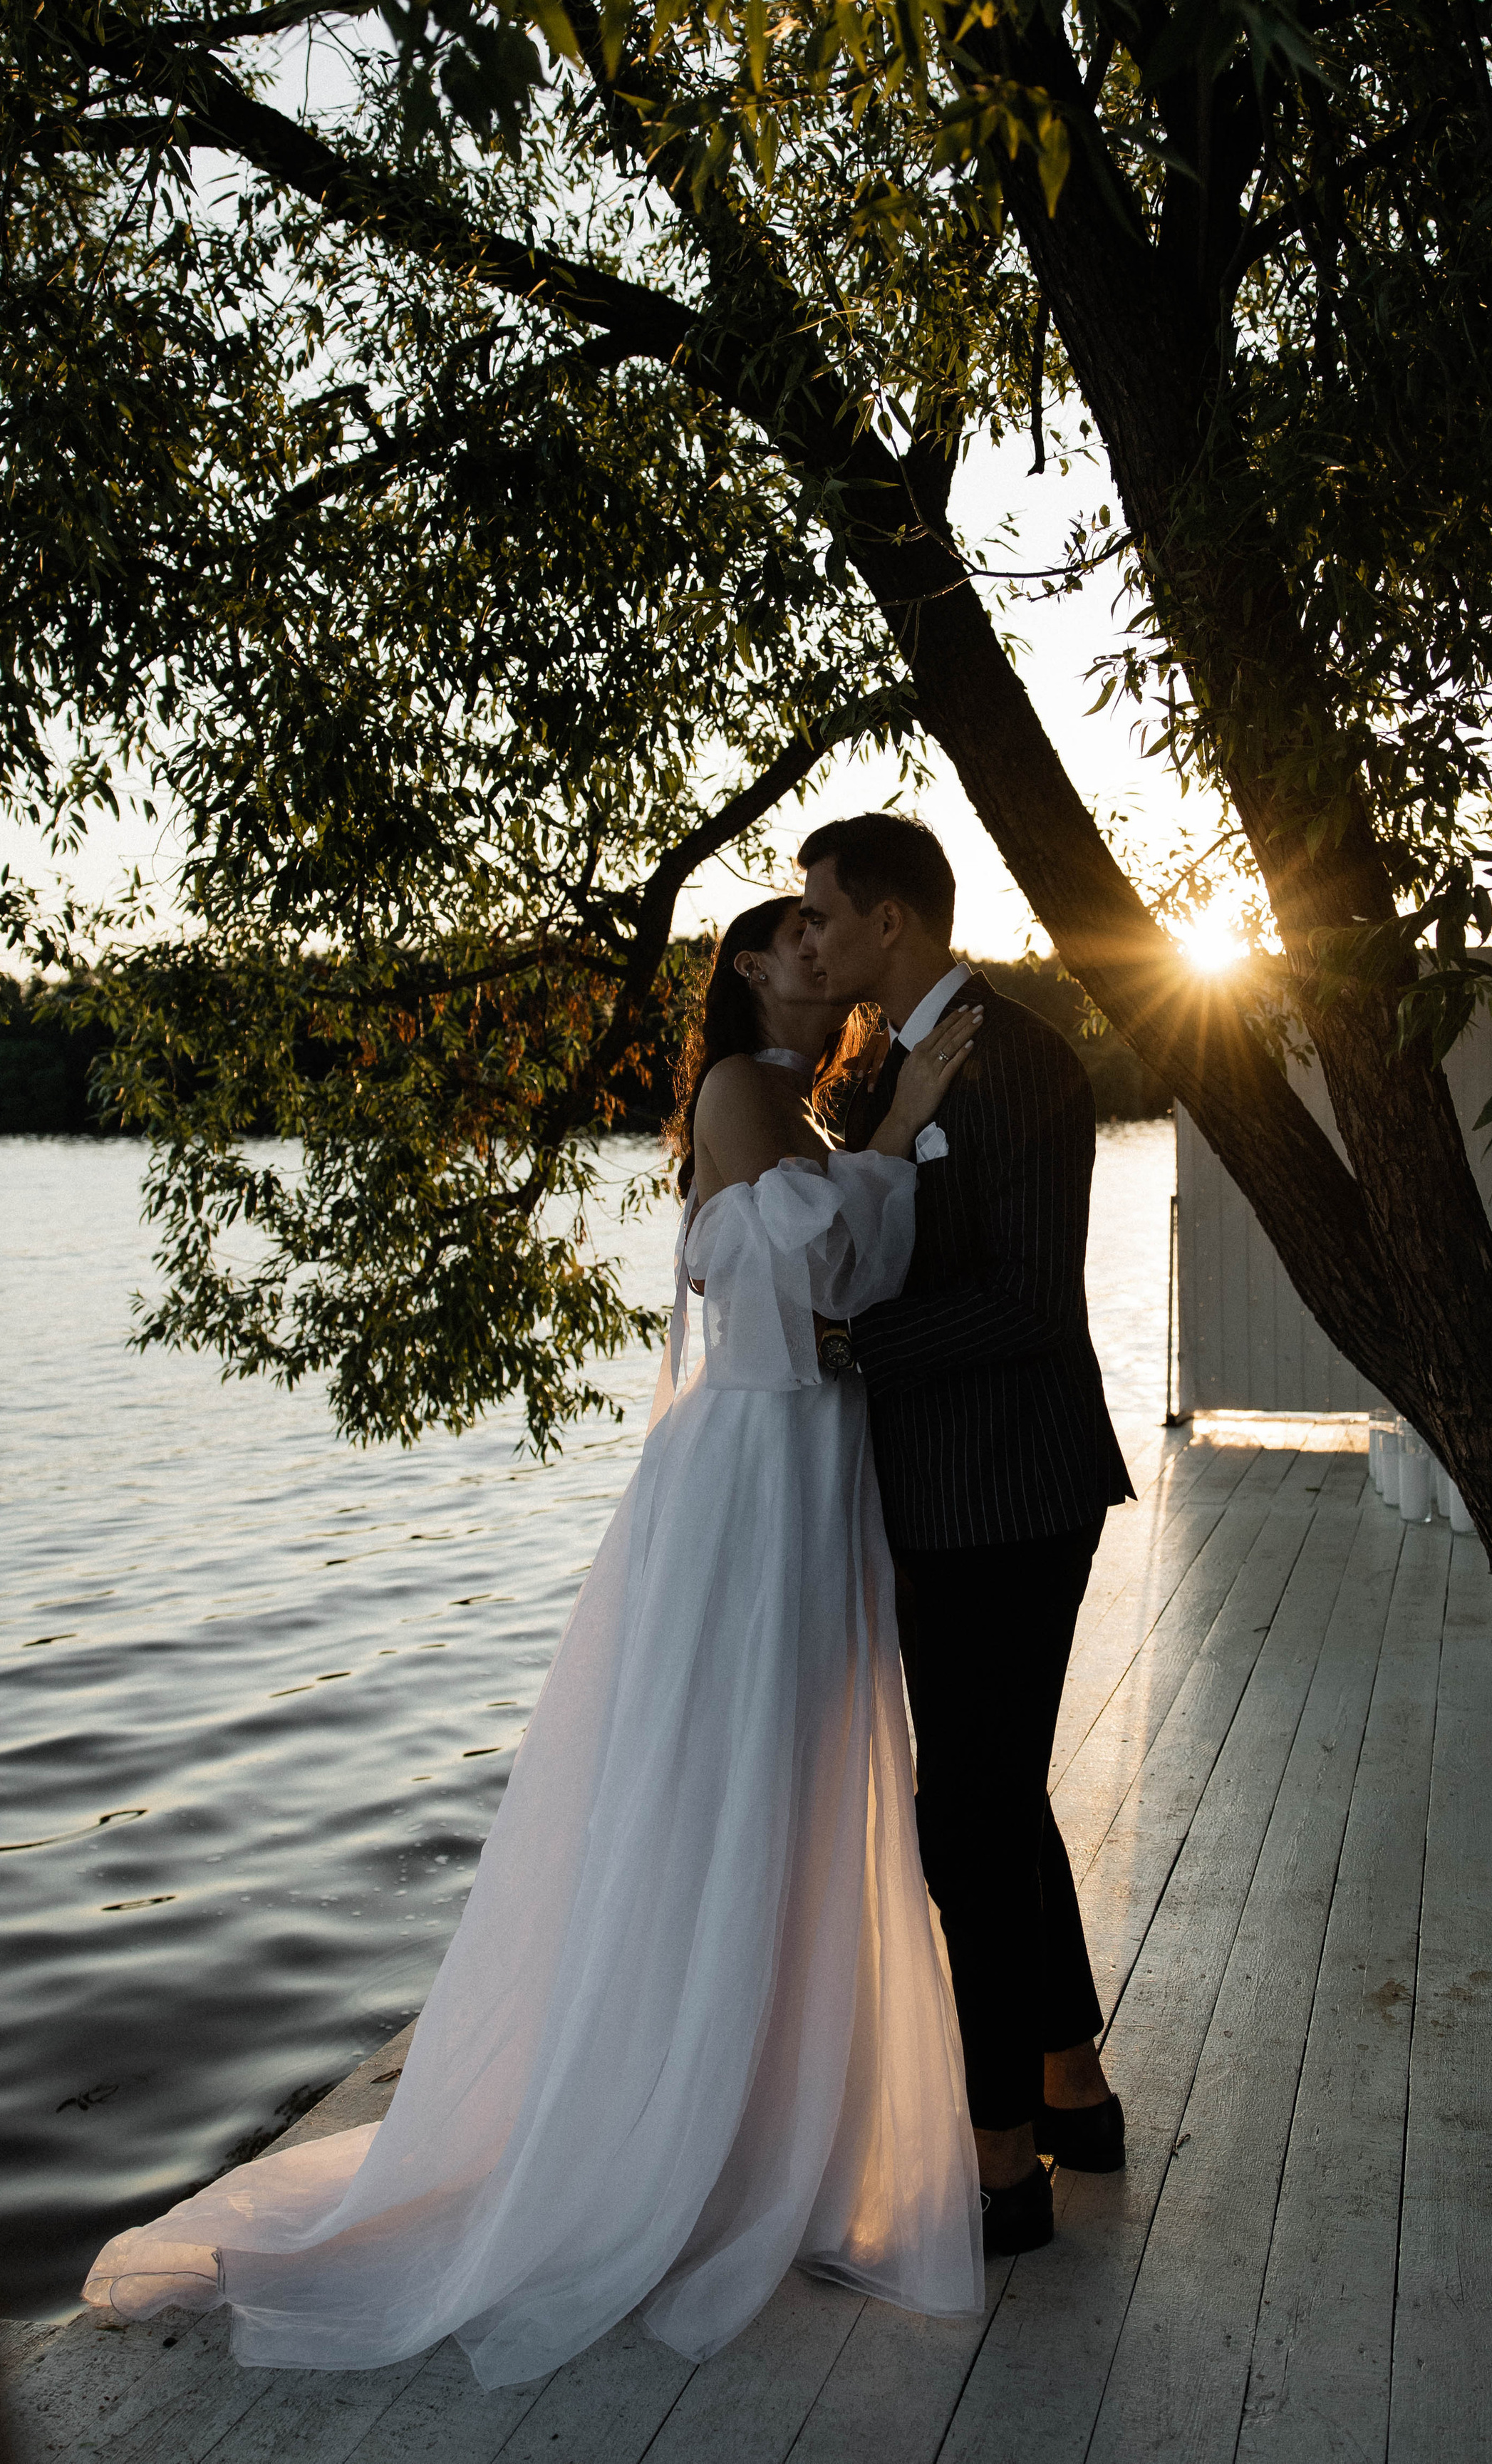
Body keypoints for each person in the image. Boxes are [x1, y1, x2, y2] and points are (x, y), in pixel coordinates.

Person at [83, 897, 985, 2386]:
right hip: (762, 1462)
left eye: (828, 932)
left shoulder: (795, 1095)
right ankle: (685, 2131)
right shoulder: (747, 1087)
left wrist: (883, 1127)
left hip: (798, 1455)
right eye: (791, 938)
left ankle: (751, 2112)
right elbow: (799, 1270)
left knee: (775, 1780)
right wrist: (898, 1136)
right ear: (747, 972)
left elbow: (813, 1273)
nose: (818, 952)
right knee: (742, 1779)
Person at [797, 814, 1135, 2259]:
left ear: (889, 919)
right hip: (939, 1490)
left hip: (1009, 1487)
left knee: (968, 1818)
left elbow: (1025, 1307)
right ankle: (1073, 2091)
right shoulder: (885, 1061)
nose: (808, 937)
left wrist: (845, 1343)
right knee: (994, 1803)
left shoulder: (1016, 1059)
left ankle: (999, 2168)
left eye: (822, 914)